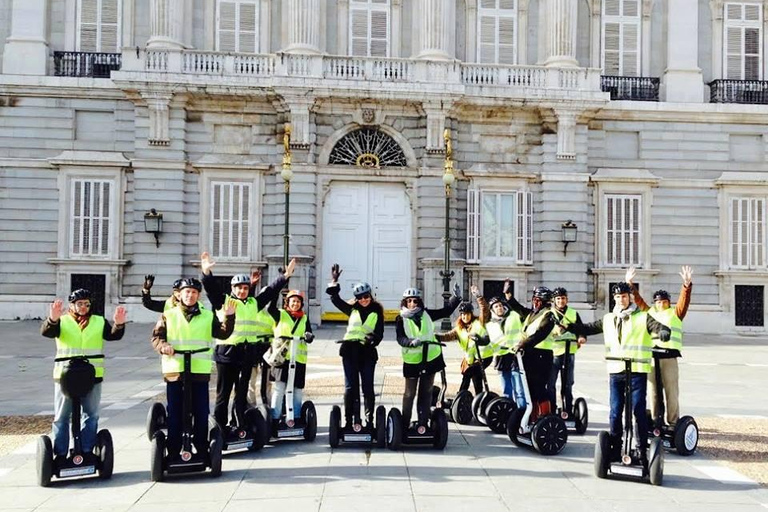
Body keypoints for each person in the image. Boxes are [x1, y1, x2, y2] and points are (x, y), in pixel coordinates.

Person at [565, 282, 671, 464]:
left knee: (637, 409)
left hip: (637, 370)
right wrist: (567, 325)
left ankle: (641, 448)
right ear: (613, 298)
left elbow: (659, 327)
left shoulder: (643, 317)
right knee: (615, 411)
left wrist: (663, 332)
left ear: (630, 297)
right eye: (617, 297)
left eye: (624, 296)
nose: (621, 300)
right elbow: (587, 328)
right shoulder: (608, 319)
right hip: (616, 371)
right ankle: (614, 446)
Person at [199, 251, 295, 433]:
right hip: (227, 354)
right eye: (238, 288)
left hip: (247, 355)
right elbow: (211, 289)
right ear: (232, 288)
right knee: (223, 395)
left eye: (244, 288)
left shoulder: (253, 303)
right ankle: (220, 427)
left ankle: (240, 423)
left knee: (242, 394)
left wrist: (285, 276)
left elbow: (270, 292)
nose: (242, 291)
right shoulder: (224, 301)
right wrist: (206, 272)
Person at [151, 278, 235, 459]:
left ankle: (202, 448)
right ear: (179, 294)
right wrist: (163, 346)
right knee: (175, 412)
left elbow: (223, 333)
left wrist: (229, 317)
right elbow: (157, 337)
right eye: (187, 292)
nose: (190, 295)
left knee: (201, 411)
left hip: (199, 371)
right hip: (175, 370)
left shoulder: (207, 315)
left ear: (198, 295)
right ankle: (173, 449)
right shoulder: (169, 314)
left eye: (194, 292)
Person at [41, 289, 126, 465]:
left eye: (86, 304)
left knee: (91, 414)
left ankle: (87, 451)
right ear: (71, 305)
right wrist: (52, 319)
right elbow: (47, 332)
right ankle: (61, 453)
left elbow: (113, 336)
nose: (83, 307)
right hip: (65, 376)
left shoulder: (98, 321)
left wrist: (118, 324)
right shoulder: (62, 321)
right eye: (79, 304)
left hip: (92, 375)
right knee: (62, 417)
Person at [626, 266, 693, 426]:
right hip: (651, 356)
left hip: (669, 357)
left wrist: (686, 285)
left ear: (668, 303)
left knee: (671, 391)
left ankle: (673, 422)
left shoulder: (675, 313)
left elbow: (684, 301)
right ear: (654, 303)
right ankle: (656, 420)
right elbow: (637, 300)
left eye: (664, 302)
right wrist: (629, 283)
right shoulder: (649, 312)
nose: (661, 304)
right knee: (653, 391)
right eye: (658, 301)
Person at [326, 263, 384, 428]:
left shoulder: (376, 312)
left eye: (366, 297)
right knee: (350, 387)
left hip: (367, 353)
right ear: (356, 298)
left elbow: (379, 334)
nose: (363, 300)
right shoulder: (351, 310)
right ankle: (349, 420)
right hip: (350, 351)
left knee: (367, 387)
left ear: (370, 296)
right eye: (360, 298)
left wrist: (372, 340)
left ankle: (369, 421)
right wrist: (334, 281)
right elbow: (335, 299)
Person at [395, 285, 460, 430]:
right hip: (412, 361)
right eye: (409, 301)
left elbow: (446, 311)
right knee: (409, 393)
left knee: (426, 392)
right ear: (404, 302)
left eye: (415, 301)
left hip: (431, 358)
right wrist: (410, 342)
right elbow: (400, 338)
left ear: (419, 302)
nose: (412, 304)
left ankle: (422, 424)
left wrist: (456, 298)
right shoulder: (400, 319)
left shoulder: (426, 314)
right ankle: (404, 424)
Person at [504, 283, 558, 421]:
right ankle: (532, 418)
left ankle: (546, 418)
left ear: (544, 302)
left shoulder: (549, 316)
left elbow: (540, 334)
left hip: (542, 356)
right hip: (529, 354)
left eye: (537, 300)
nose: (535, 302)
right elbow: (519, 309)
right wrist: (508, 296)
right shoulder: (532, 314)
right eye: (534, 300)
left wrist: (522, 344)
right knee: (530, 389)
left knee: (539, 388)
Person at [266, 289, 315, 435]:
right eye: (293, 301)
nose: (296, 304)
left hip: (298, 359)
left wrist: (309, 336)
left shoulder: (304, 318)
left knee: (298, 390)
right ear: (288, 302)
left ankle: (297, 418)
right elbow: (270, 308)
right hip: (282, 359)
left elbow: (310, 335)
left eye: (298, 301)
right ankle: (275, 419)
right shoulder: (280, 314)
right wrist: (275, 293)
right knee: (280, 388)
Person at [436, 286, 492, 395]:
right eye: (462, 314)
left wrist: (479, 297)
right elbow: (447, 336)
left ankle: (460, 395)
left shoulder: (480, 322)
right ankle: (478, 399)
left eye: (466, 314)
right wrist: (434, 336)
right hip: (471, 359)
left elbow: (484, 310)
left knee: (468, 373)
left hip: (485, 356)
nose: (464, 316)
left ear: (471, 314)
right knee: (477, 378)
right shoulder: (459, 329)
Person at [482, 291, 525, 408]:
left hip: (515, 355)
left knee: (519, 389)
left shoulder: (514, 316)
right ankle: (508, 410)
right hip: (501, 357)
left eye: (500, 305)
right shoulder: (490, 324)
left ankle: (522, 411)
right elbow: (488, 341)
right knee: (506, 390)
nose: (499, 308)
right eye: (496, 306)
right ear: (492, 310)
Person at [547, 287, 587, 414]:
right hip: (553, 353)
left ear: (567, 299)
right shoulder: (549, 313)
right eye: (558, 299)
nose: (561, 301)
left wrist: (581, 337)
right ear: (554, 300)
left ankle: (567, 410)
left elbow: (581, 329)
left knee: (568, 384)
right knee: (550, 384)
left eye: (563, 298)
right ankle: (551, 409)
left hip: (569, 352)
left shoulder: (573, 313)